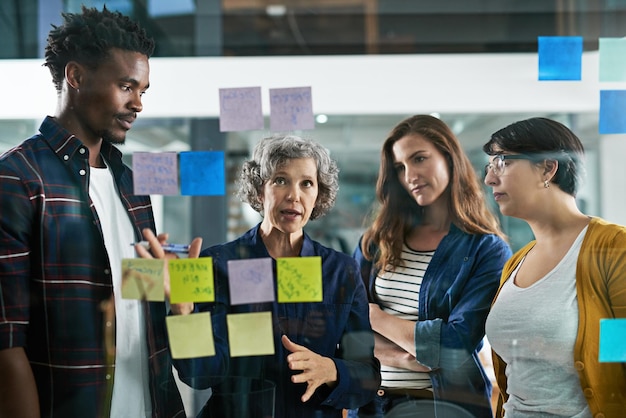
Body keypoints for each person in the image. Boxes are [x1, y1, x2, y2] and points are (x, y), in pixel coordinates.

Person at [0, 6, 187, 417]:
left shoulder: (133, 185)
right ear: (76, 77)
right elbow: (6, 341)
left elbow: (145, 303)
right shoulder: (15, 179)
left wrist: (179, 296)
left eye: (143, 90)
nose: (138, 103)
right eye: (126, 86)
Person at [159, 134, 381, 418]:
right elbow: (200, 376)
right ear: (259, 189)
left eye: (306, 183)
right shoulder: (217, 264)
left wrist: (332, 370)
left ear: (319, 195)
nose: (294, 195)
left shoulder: (340, 271)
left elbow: (367, 375)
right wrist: (183, 313)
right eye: (280, 180)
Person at [350, 114, 512, 418]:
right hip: (374, 406)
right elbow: (345, 329)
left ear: (449, 158)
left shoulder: (485, 249)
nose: (410, 174)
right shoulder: (376, 242)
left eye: (420, 158)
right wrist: (402, 356)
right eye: (400, 167)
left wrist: (374, 316)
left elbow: (455, 344)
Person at [483, 117, 626, 418]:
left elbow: (619, 362)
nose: (490, 179)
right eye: (489, 166)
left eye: (502, 162)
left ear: (548, 168)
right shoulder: (515, 263)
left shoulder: (613, 249)